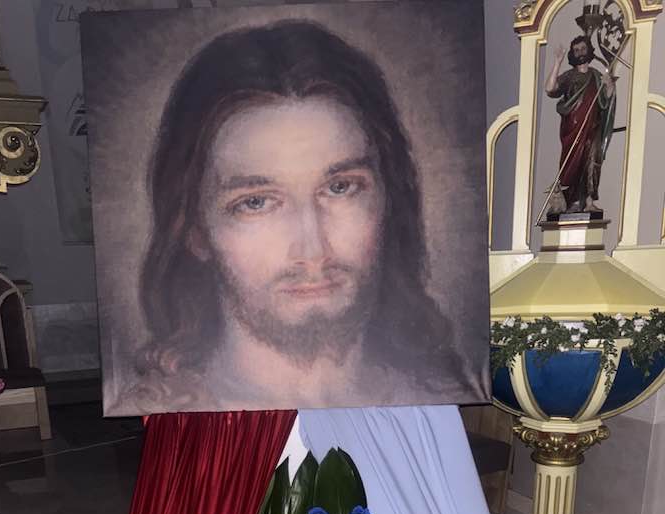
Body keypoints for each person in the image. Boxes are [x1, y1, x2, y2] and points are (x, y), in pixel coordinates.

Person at [126, 20, 463, 413]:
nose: (312, 249)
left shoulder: (440, 397)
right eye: (256, 202)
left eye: (340, 187)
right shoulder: (161, 416)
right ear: (194, 230)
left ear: (389, 197)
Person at [545, 34, 616, 215]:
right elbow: (550, 88)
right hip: (573, 128)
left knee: (593, 161)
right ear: (572, 54)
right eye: (576, 50)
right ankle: (572, 201)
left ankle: (589, 201)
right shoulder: (569, 76)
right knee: (572, 163)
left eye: (583, 48)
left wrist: (609, 85)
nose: (580, 52)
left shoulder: (596, 76)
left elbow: (605, 100)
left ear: (589, 50)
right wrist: (557, 62)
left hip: (593, 128)